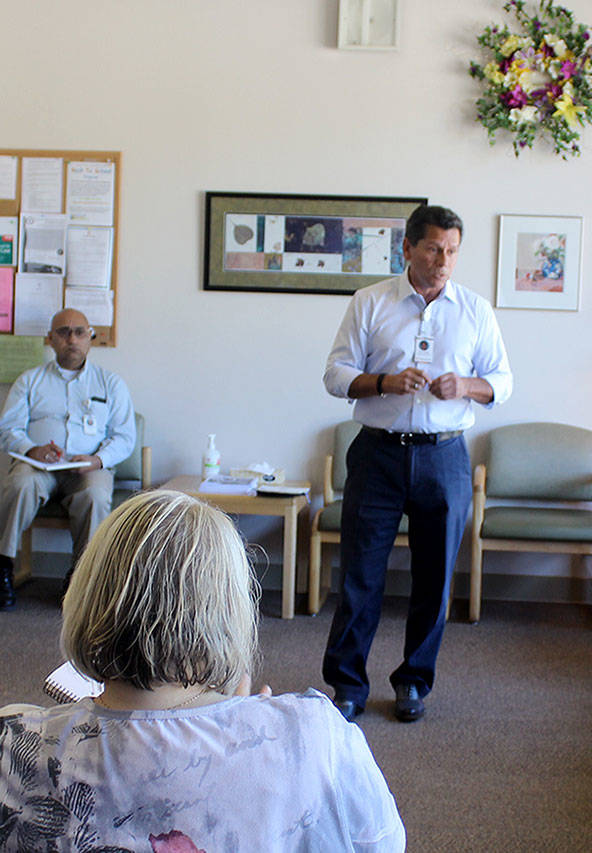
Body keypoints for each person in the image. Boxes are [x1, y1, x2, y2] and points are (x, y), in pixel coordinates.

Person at [0, 489, 405, 850]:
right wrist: (244, 724)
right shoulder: (315, 735)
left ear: (88, 593)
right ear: (230, 610)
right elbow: (383, 844)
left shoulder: (11, 746)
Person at [322, 203, 512, 723]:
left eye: (452, 251)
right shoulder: (370, 302)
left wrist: (466, 386)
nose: (443, 260)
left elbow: (503, 381)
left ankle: (412, 683)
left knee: (435, 579)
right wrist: (384, 381)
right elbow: (336, 375)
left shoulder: (475, 310)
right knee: (361, 574)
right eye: (433, 248)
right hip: (378, 453)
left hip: (445, 455)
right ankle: (347, 686)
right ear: (407, 249)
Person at [0, 308, 135, 610]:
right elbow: (8, 428)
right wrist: (31, 450)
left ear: (90, 338)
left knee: (95, 495)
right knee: (20, 483)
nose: (71, 339)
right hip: (39, 466)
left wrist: (98, 459)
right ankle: (3, 566)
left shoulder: (110, 384)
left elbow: (125, 436)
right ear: (50, 339)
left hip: (89, 467)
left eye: (79, 332)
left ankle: (83, 577)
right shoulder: (29, 380)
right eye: (62, 332)